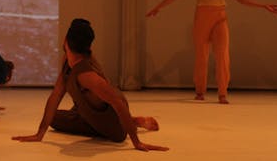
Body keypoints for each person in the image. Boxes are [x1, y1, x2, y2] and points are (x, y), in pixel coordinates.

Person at [146, 0, 277, 104]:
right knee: (201, 56)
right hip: (202, 17)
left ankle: (222, 93)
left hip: (220, 17)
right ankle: (200, 91)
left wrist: (263, 6)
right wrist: (158, 7)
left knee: (222, 55)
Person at [12, 19, 168, 152]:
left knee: (66, 119)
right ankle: (104, 120)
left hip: (112, 126)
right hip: (86, 113)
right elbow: (56, 94)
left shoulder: (87, 75)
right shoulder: (67, 61)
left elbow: (118, 102)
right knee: (55, 118)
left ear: (66, 40)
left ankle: (132, 122)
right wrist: (39, 134)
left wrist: (136, 142)